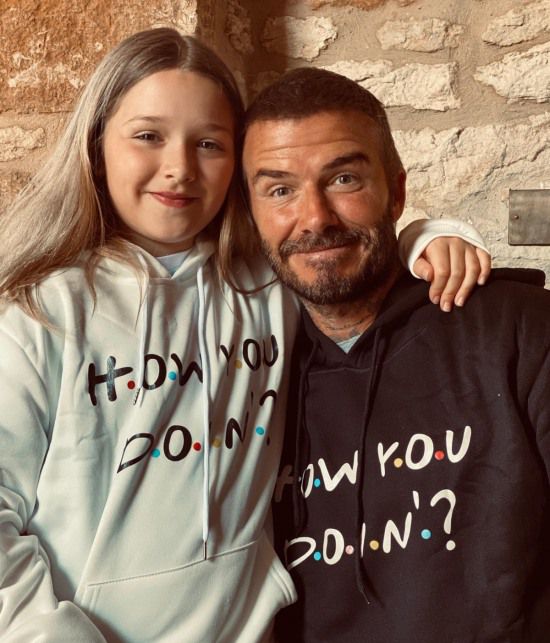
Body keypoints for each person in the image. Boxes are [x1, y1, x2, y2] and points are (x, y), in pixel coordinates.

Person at [0, 28, 488, 642]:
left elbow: (341, 258)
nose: (179, 168)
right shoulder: (39, 314)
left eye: (209, 143)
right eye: (148, 136)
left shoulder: (265, 286)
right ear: (97, 146)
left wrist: (428, 236)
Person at [241, 67, 550, 642]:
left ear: (397, 192)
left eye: (344, 179)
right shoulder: (240, 369)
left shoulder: (521, 329)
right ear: (250, 212)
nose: (315, 218)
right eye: (279, 189)